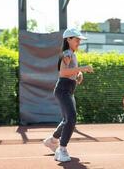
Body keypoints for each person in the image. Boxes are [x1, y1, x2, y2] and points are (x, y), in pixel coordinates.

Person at [43, 28, 93, 162]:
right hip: (63, 89)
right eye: (76, 39)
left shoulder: (71, 53)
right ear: (68, 40)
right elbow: (63, 72)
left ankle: (52, 141)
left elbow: (69, 71)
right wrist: (83, 68)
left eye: (79, 40)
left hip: (68, 89)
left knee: (67, 119)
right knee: (71, 119)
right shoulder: (67, 53)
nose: (79, 42)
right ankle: (62, 149)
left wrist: (78, 74)